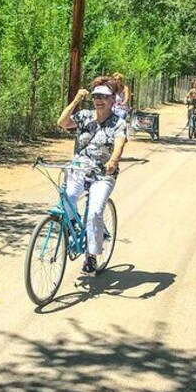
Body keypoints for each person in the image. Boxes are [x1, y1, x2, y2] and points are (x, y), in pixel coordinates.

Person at [57, 76, 127, 274]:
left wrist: (113, 161)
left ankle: (91, 256)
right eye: (96, 96)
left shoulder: (118, 123)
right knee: (67, 197)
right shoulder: (85, 116)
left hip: (103, 173)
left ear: (112, 100)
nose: (99, 100)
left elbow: (120, 143)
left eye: (104, 97)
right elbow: (62, 122)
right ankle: (75, 227)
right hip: (79, 168)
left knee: (95, 212)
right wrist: (76, 100)